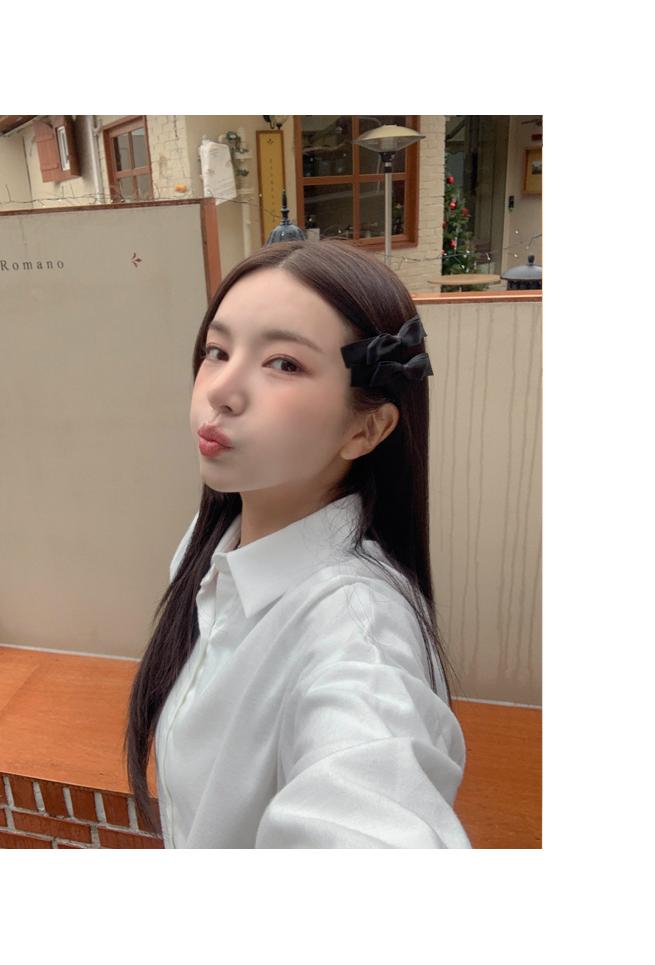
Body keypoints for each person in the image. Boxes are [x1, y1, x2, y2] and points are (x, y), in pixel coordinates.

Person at [125, 239, 471, 848]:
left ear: (367, 427)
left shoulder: (358, 636)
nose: (222, 390)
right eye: (217, 351)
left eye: (283, 363)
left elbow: (369, 802)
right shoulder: (210, 546)